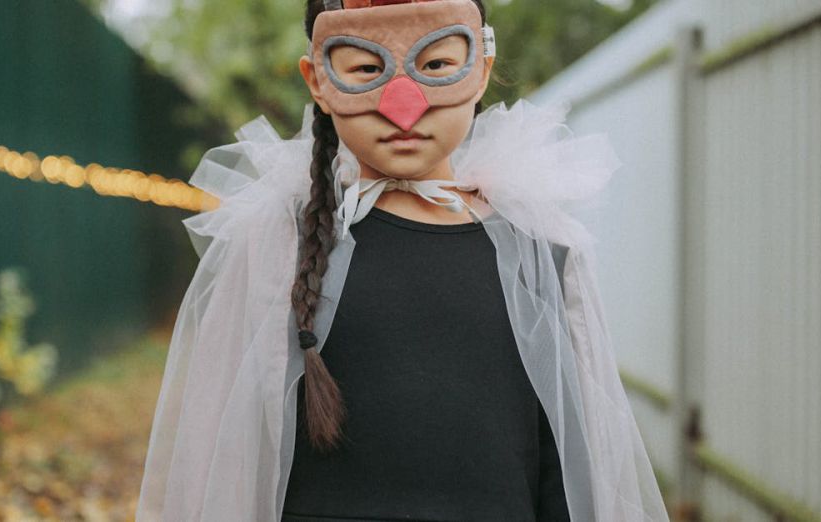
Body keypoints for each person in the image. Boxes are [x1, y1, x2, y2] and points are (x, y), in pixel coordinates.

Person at [136, 1, 669, 521]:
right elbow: (225, 453)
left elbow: (573, 458)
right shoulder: (277, 246)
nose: (403, 106)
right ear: (318, 79)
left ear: (481, 69)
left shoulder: (540, 250)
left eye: (436, 65)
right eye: (366, 68)